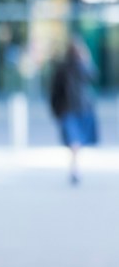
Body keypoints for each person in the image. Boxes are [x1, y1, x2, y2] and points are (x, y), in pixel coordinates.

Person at [49, 37, 98, 185]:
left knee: (74, 140)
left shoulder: (63, 67)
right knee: (75, 140)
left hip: (70, 109)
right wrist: (87, 59)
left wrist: (55, 108)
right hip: (79, 108)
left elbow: (54, 91)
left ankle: (75, 167)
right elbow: (94, 76)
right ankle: (75, 167)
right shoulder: (82, 66)